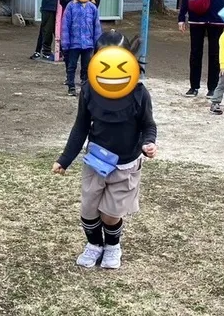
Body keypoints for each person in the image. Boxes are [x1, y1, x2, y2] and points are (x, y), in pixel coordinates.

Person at [52, 30, 157, 270]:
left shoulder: (139, 93)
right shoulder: (89, 90)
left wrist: (148, 143)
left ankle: (112, 247)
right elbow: (80, 127)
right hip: (96, 162)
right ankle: (94, 246)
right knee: (89, 211)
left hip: (126, 164)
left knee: (110, 214)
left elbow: (148, 125)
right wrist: (65, 159)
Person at [61, 0, 102, 97]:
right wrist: (65, 43)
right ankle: (71, 86)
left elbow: (96, 27)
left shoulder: (92, 7)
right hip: (73, 44)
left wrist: (97, 44)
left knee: (86, 66)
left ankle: (84, 86)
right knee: (71, 66)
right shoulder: (71, 6)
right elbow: (65, 25)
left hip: (88, 44)